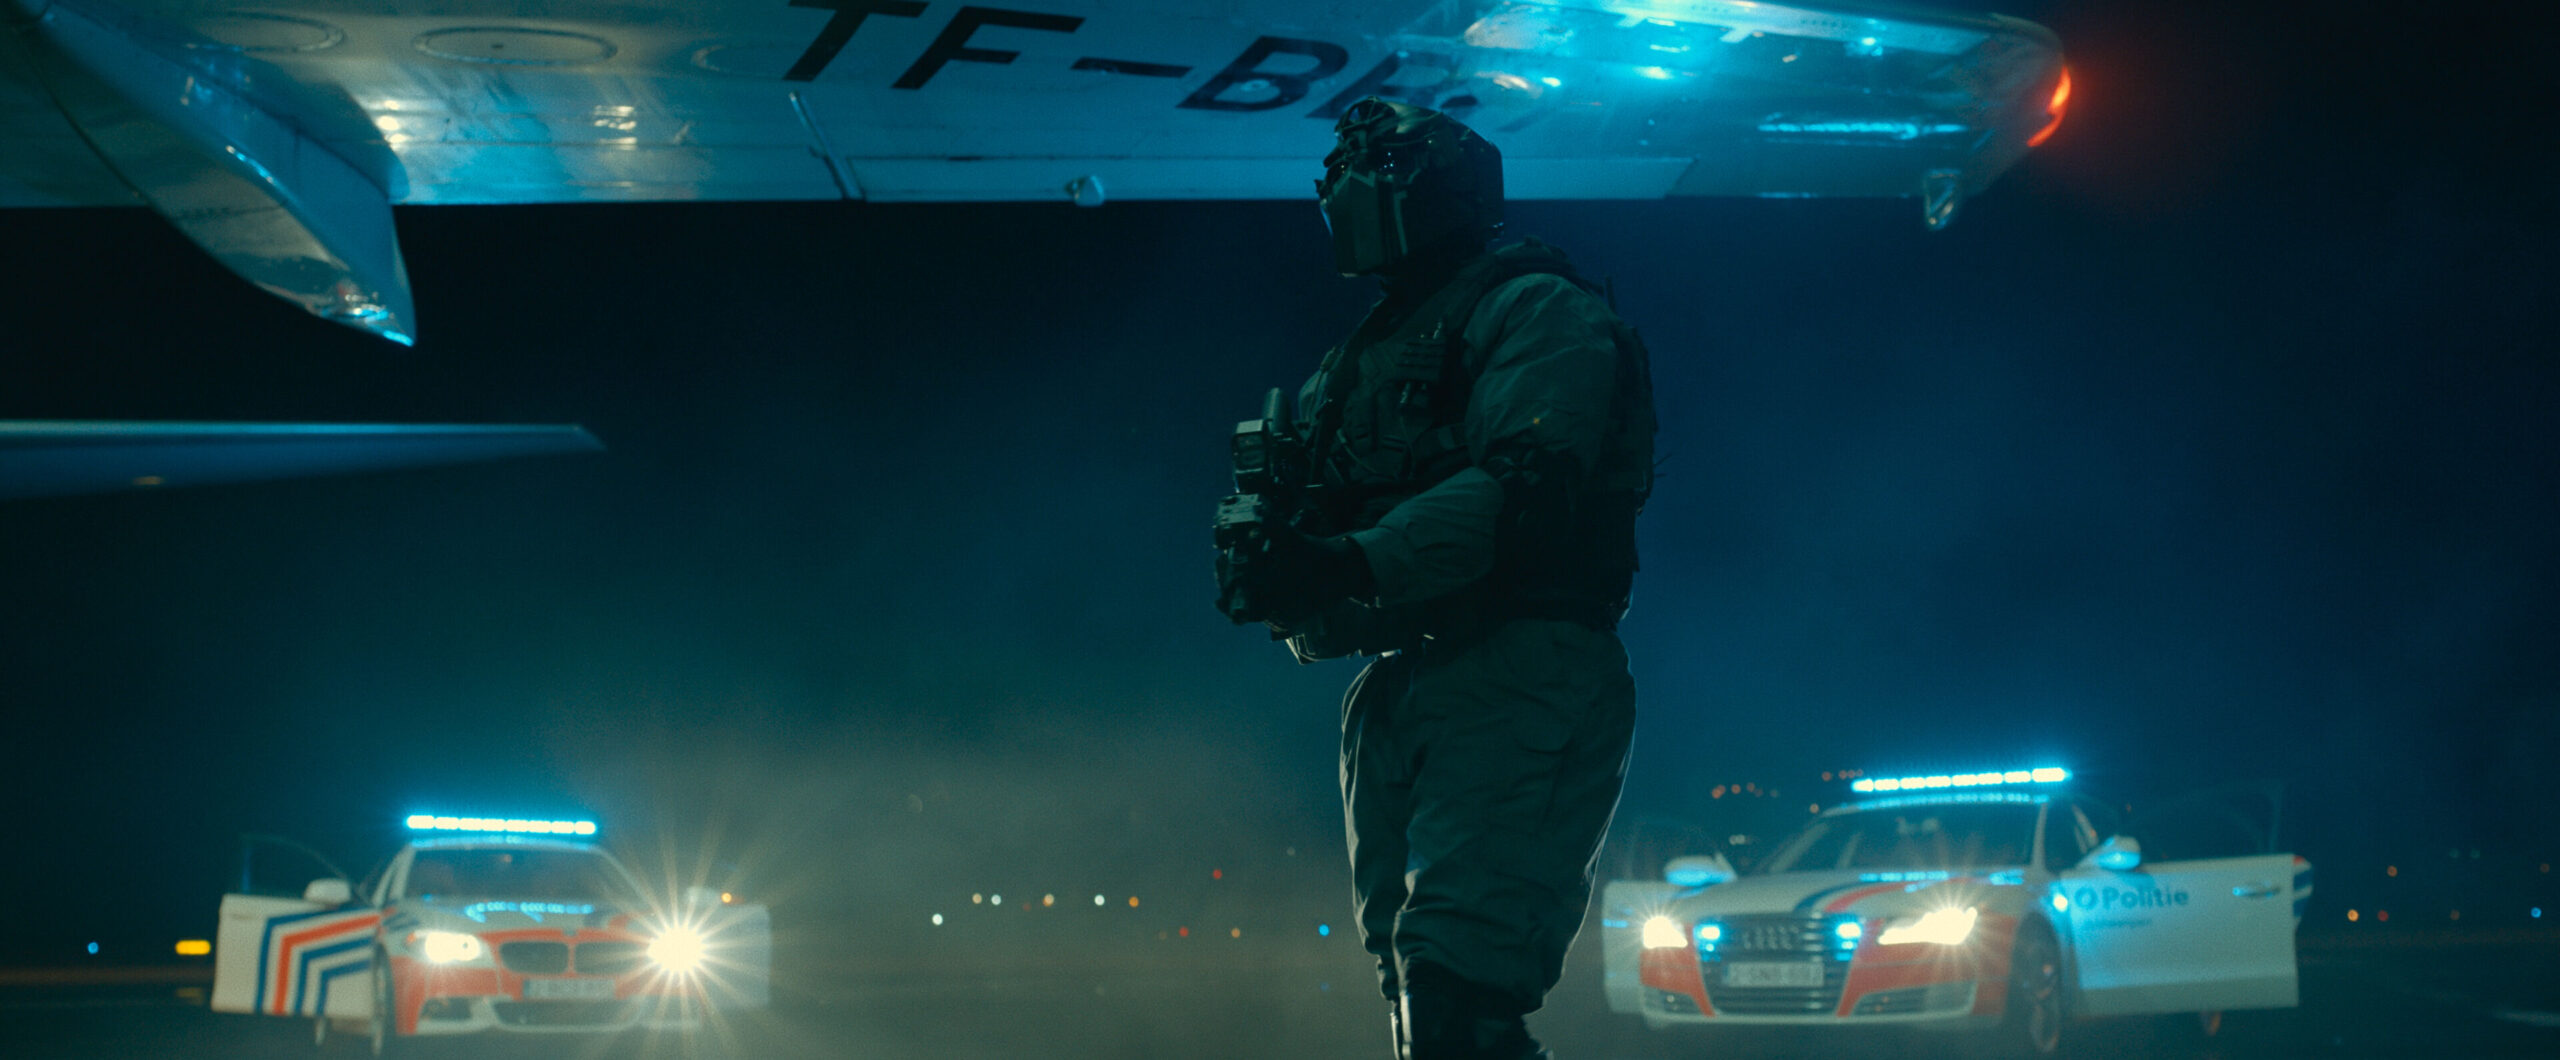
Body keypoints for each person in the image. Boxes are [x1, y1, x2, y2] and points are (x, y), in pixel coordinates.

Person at [1214, 97, 1657, 1060]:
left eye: (1374, 167)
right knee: (1422, 990)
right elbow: (1335, 536)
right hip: (1406, 678)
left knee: (1459, 987)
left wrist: (1345, 561)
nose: (1345, 189)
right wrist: (1291, 574)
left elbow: (1525, 489)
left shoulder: (1538, 310)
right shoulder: (1364, 357)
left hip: (1521, 661)